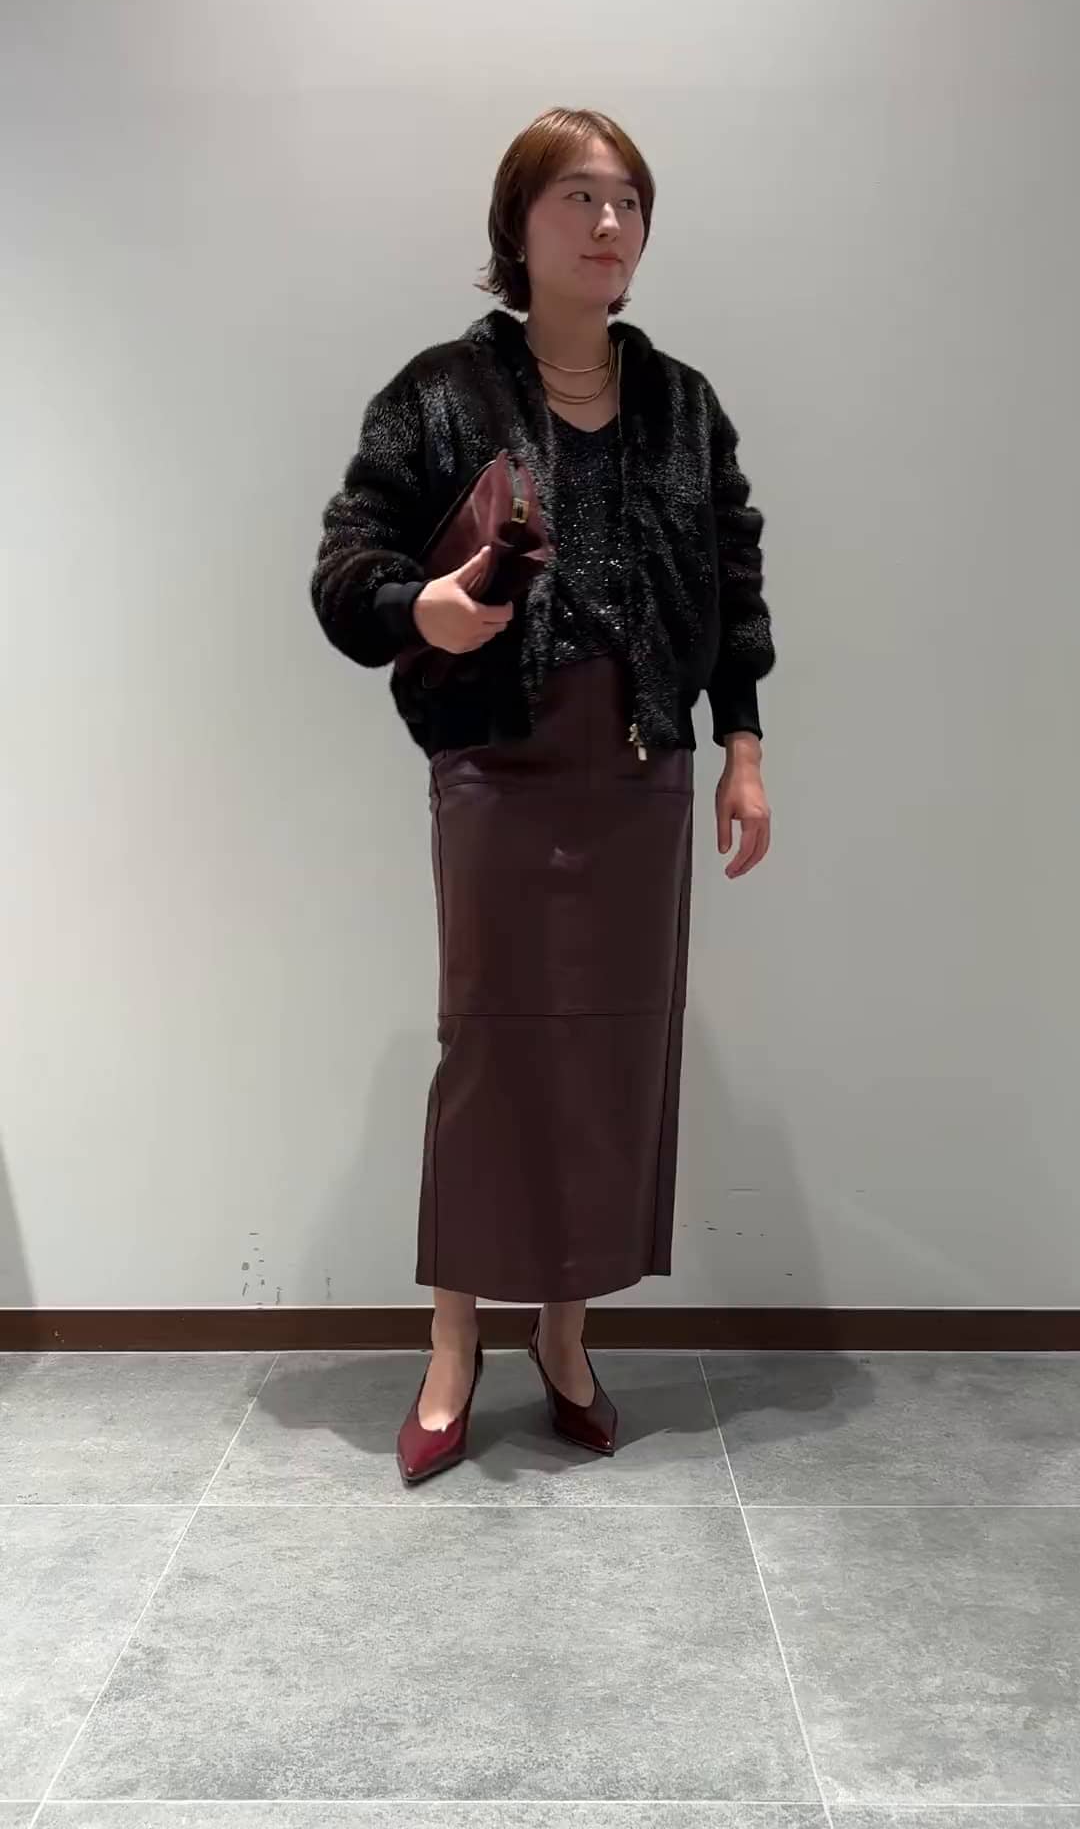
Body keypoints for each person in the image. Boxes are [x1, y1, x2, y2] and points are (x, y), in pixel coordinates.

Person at [310, 106, 776, 1485]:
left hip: (642, 770)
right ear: (518, 224)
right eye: (577, 195)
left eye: (628, 199)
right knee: (491, 1043)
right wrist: (425, 609)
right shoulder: (440, 394)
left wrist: (744, 747)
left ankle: (566, 1336)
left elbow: (736, 582)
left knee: (616, 1052)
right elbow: (347, 566)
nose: (608, 222)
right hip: (498, 765)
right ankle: (454, 1339)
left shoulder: (684, 404)